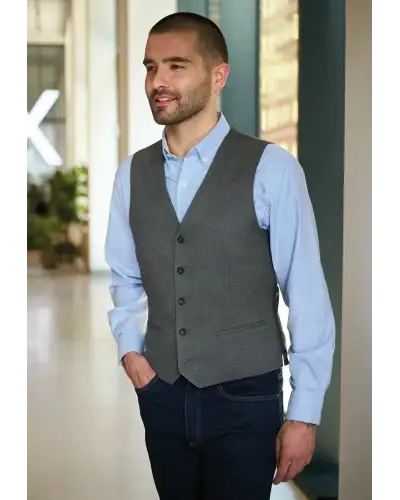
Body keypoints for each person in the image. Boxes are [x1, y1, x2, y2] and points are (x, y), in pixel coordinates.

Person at [105, 12, 335, 500]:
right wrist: (132, 354)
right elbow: (124, 276)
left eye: (176, 66)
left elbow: (307, 293)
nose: (158, 81)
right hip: (162, 393)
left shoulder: (272, 168)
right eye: (151, 67)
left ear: (218, 75)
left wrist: (304, 413)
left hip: (245, 398)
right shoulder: (131, 174)